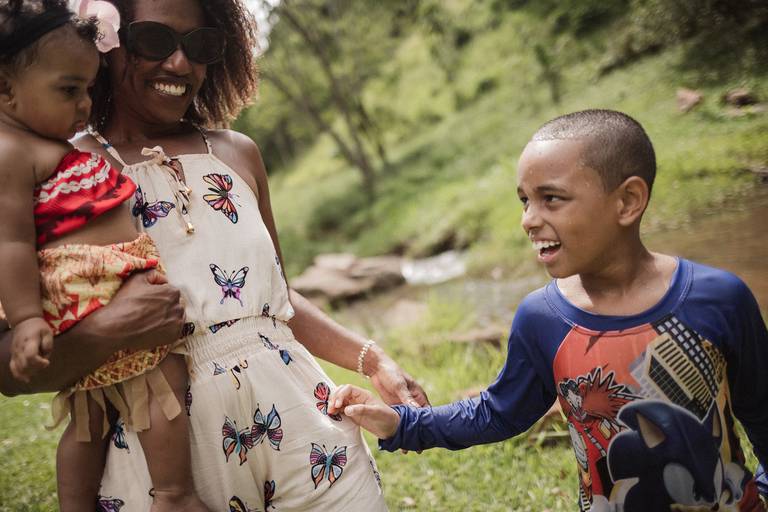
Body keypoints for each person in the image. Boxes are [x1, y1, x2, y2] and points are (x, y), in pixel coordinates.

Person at [0, 0, 429, 509]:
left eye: (201, 45)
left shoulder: (236, 152)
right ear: (108, 45)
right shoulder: (58, 171)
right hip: (165, 453)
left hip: (306, 431)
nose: (180, 62)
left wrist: (372, 359)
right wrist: (109, 331)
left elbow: (276, 299)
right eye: (155, 40)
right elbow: (10, 367)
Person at [329, 109, 768, 511]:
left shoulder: (718, 299)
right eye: (525, 200)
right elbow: (497, 412)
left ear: (627, 201)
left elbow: (762, 412)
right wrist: (402, 424)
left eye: (551, 198)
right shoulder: (542, 318)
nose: (528, 219)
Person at [0, 1, 210, 511]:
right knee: (161, 379)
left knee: (88, 414)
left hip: (103, 284)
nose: (83, 104)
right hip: (91, 288)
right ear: (5, 88)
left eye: (89, 89)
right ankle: (175, 494)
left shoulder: (41, 142)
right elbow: (11, 242)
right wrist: (27, 319)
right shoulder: (11, 151)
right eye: (68, 90)